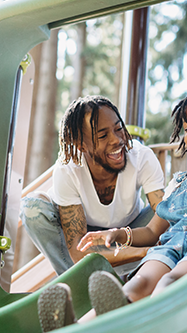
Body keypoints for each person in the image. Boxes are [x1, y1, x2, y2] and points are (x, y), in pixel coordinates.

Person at [37, 88, 187, 332]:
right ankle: (71, 330)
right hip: (169, 247)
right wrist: (120, 234)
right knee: (137, 285)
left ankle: (151, 328)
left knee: (170, 281)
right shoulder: (179, 182)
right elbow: (153, 230)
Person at [20, 96, 165, 277]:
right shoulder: (68, 171)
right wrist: (144, 252)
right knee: (32, 209)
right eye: (103, 135)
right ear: (81, 145)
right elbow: (79, 252)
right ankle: (80, 283)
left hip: (131, 232)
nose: (116, 140)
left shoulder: (141, 156)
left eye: (118, 129)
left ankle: (126, 277)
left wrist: (139, 244)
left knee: (170, 206)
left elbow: (162, 220)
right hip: (86, 240)